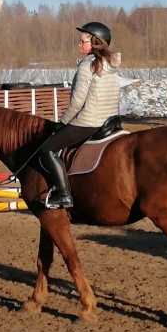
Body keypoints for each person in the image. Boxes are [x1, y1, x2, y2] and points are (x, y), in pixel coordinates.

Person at [34, 22, 122, 210]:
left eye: (82, 41)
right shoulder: (111, 64)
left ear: (95, 43)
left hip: (89, 121)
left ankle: (64, 194)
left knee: (47, 149)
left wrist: (62, 123)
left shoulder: (87, 66)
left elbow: (77, 103)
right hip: (110, 121)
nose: (79, 45)